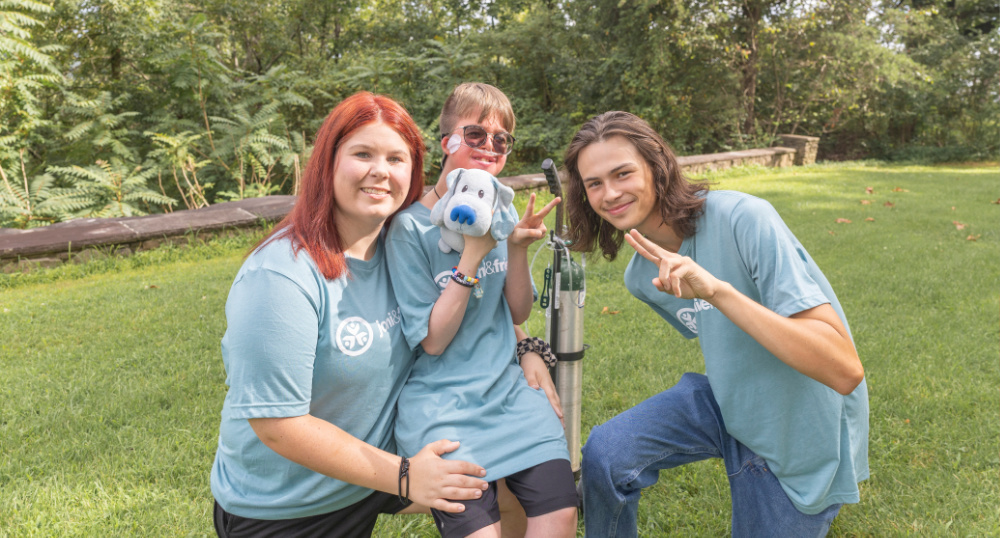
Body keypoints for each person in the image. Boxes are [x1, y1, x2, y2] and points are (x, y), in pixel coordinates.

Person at [561, 111, 869, 537]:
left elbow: (845, 370)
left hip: (803, 427)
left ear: (656, 165)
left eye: (622, 173)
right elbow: (726, 340)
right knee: (606, 453)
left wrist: (716, 290)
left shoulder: (745, 218)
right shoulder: (642, 276)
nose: (610, 194)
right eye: (594, 183)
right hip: (730, 402)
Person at [209, 92, 493, 538]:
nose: (381, 170)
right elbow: (278, 425)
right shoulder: (280, 276)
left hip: (376, 470)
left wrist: (529, 348)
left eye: (396, 159)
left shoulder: (404, 249)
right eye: (363, 154)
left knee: (512, 481)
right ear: (328, 163)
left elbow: (473, 316)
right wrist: (406, 476)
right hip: (288, 506)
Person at [386, 83, 579, 538]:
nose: (489, 145)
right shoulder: (409, 229)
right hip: (442, 404)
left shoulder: (503, 214)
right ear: (447, 142)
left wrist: (515, 249)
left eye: (501, 139)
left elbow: (517, 311)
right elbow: (433, 342)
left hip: (509, 394)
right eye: (475, 134)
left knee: (561, 516)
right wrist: (472, 257)